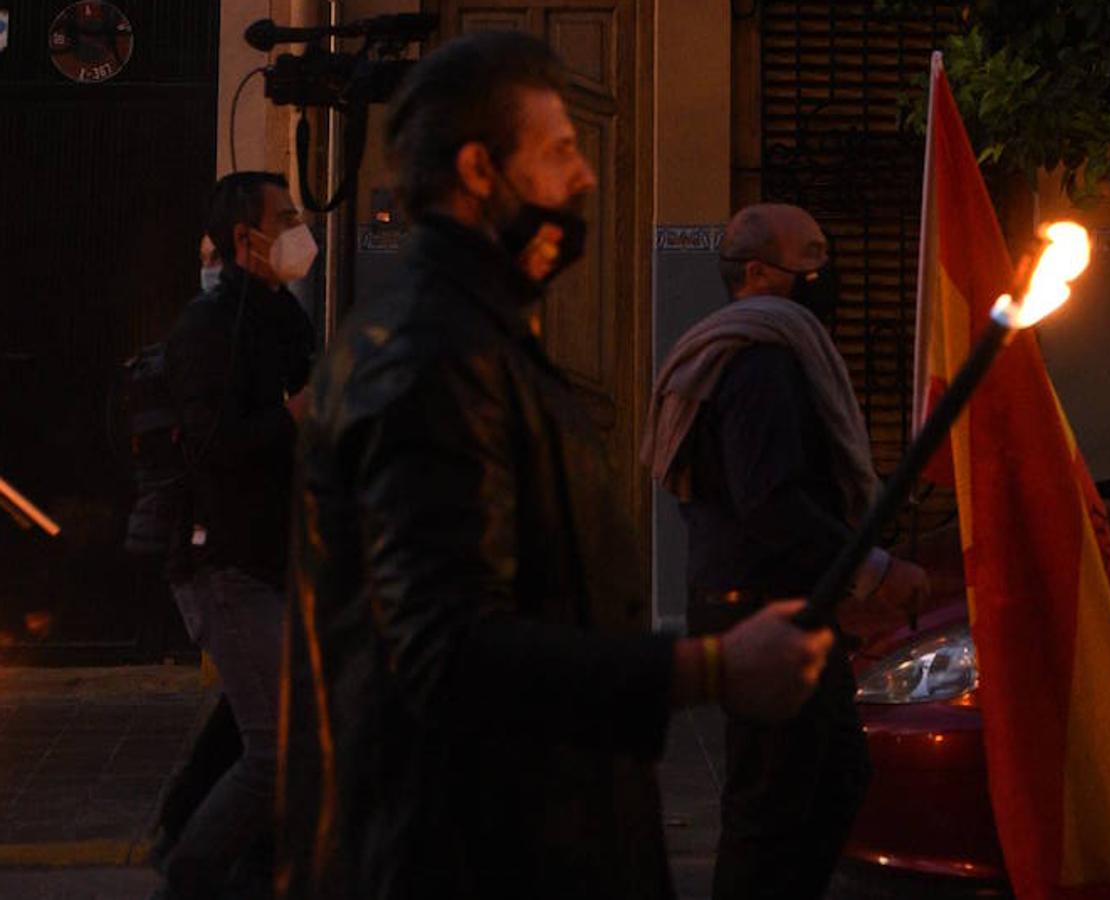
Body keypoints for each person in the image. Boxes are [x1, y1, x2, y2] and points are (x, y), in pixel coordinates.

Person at [276, 31, 835, 900]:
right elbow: (445, 654)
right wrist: (710, 669)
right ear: (477, 170)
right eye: (563, 150)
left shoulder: (483, 338)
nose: (585, 178)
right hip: (467, 858)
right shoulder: (431, 359)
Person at [642, 203, 932, 900]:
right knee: (774, 805)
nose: (822, 275)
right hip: (762, 610)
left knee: (826, 781)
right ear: (757, 272)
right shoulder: (759, 361)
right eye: (809, 259)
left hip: (767, 601)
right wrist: (874, 571)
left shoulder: (751, 349)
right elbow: (769, 500)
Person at [153, 172, 317, 899]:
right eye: (284, 217)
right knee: (279, 747)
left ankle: (245, 864)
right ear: (246, 237)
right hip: (224, 561)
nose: (298, 228)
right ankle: (185, 871)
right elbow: (213, 450)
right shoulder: (208, 328)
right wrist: (297, 416)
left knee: (276, 720)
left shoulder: (284, 319)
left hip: (278, 556)